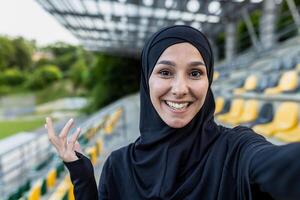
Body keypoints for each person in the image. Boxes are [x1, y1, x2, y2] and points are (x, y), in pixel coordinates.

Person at [45, 25, 300, 200]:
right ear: (147, 80)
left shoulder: (237, 150)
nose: (180, 89)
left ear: (209, 80)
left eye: (195, 73)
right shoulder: (118, 166)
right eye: (165, 72)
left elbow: (280, 165)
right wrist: (81, 175)